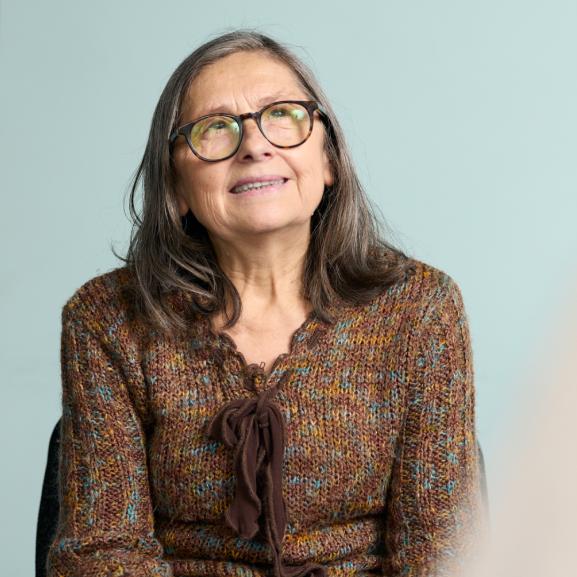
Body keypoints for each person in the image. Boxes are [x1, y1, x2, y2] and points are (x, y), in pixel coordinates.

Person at [46, 29, 488, 577]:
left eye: (282, 114)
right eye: (215, 128)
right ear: (176, 187)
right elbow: (100, 553)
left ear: (328, 161)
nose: (255, 145)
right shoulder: (106, 320)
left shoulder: (421, 310)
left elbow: (443, 552)